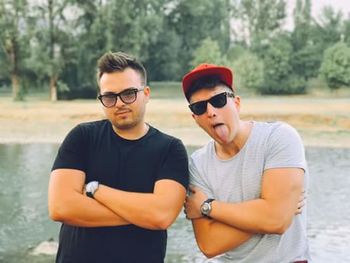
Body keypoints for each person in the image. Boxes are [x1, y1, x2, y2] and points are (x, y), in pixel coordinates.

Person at [48, 51, 189, 263]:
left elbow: (161, 215)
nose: (119, 103)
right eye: (109, 97)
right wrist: (142, 215)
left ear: (147, 93)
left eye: (129, 93)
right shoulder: (82, 137)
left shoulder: (170, 149)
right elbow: (61, 207)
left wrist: (96, 190)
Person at [182, 63, 310, 262]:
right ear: (195, 118)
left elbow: (277, 220)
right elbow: (209, 244)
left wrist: (207, 206)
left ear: (237, 103)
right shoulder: (198, 164)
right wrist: (270, 213)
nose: (211, 112)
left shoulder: (279, 138)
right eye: (200, 107)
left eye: (218, 100)